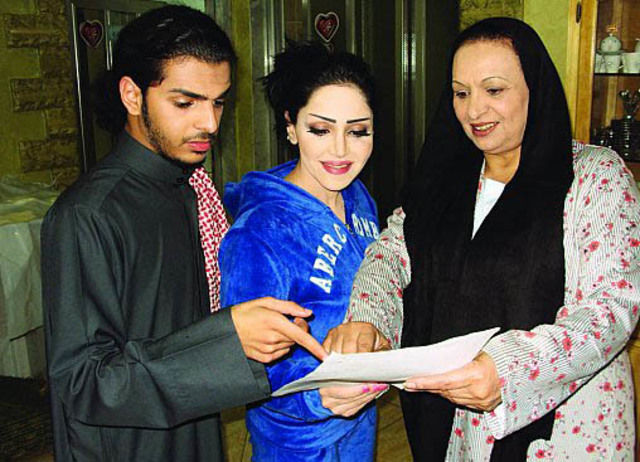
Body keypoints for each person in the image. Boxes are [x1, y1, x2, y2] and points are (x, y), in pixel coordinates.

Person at [323, 17, 640, 461]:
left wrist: (507, 368)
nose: (474, 111)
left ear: (534, 89)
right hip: (454, 422)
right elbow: (391, 256)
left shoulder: (593, 176)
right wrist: (368, 323)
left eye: (494, 90)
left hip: (563, 430)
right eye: (461, 93)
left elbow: (610, 306)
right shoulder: (445, 180)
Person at [41, 6, 325, 462]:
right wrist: (225, 342)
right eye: (185, 103)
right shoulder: (88, 215)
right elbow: (84, 382)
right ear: (132, 95)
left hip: (192, 426)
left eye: (218, 102)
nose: (209, 123)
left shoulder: (191, 189)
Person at [218, 41, 386, 461]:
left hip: (359, 421)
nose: (341, 151)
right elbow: (244, 363)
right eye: (321, 130)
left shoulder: (358, 197)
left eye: (357, 131)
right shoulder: (260, 231)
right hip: (298, 443)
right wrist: (316, 396)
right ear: (291, 127)